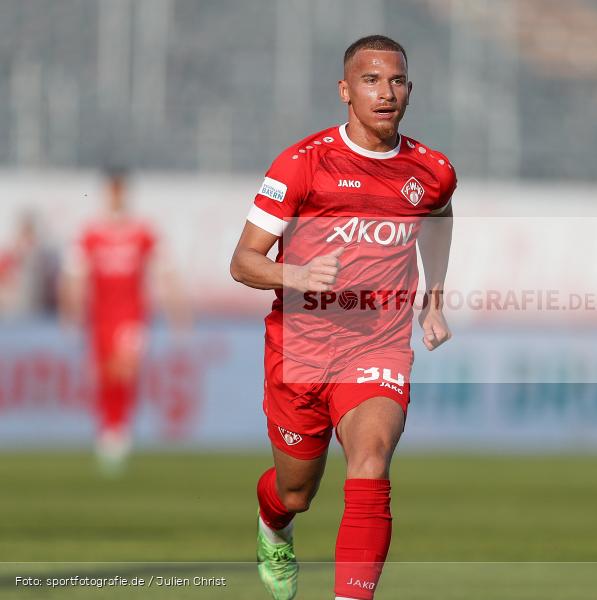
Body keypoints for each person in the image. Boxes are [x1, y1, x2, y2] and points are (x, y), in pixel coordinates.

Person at [230, 35, 456, 600]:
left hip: (376, 345)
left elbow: (440, 218)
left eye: (397, 81)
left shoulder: (430, 171)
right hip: (299, 349)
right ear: (345, 91)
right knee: (296, 491)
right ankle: (272, 525)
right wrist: (298, 276)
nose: (387, 93)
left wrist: (434, 296)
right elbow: (243, 262)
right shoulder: (303, 164)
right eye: (372, 81)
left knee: (371, 461)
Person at [60, 167, 186, 474]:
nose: (116, 196)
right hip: (99, 317)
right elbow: (74, 277)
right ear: (106, 193)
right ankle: (108, 431)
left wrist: (178, 313)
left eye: (120, 190)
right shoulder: (91, 233)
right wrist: (70, 314)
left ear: (125, 193)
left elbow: (165, 272)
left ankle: (119, 433)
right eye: (112, 190)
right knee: (103, 375)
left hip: (132, 315)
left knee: (125, 371)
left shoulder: (142, 232)